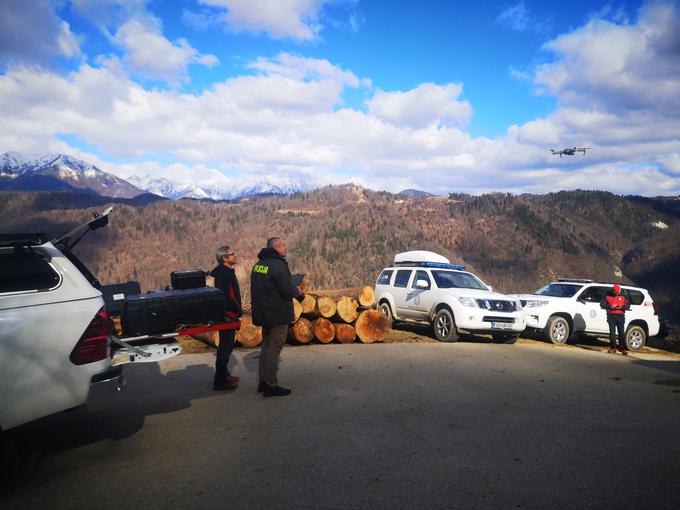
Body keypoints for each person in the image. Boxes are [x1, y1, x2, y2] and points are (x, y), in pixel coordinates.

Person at [250, 236, 303, 397]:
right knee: (274, 348)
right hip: (278, 313)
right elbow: (287, 289)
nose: (285, 248)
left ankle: (263, 382)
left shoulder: (258, 265)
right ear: (277, 247)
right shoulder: (279, 265)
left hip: (263, 312)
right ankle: (271, 385)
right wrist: (298, 292)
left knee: (266, 346)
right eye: (283, 246)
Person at [210, 245, 242, 390]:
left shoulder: (225, 272)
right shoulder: (224, 274)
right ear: (225, 258)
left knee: (226, 347)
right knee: (225, 348)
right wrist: (234, 311)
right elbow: (228, 296)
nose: (235, 256)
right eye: (232, 254)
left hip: (228, 314)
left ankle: (224, 375)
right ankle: (220, 381)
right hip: (228, 315)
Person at [600, 284, 630, 355]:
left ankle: (622, 348)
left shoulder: (624, 295)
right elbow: (602, 304)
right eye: (614, 292)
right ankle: (613, 348)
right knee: (612, 333)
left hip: (620, 316)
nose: (615, 293)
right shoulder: (607, 295)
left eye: (617, 292)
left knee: (621, 333)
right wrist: (610, 306)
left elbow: (628, 306)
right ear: (612, 290)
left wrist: (620, 307)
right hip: (611, 315)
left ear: (619, 290)